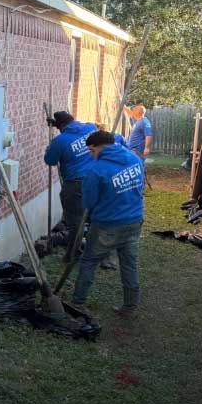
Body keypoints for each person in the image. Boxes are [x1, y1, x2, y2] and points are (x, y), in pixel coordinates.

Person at [72, 130, 145, 317]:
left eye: (91, 150)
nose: (90, 154)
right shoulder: (135, 159)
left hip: (107, 224)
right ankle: (131, 307)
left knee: (89, 261)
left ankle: (78, 304)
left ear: (99, 147)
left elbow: (89, 203)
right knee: (129, 264)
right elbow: (139, 187)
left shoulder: (96, 170)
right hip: (134, 221)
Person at [44, 111, 97, 257]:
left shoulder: (60, 141)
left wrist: (49, 149)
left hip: (75, 185)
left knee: (75, 221)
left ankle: (73, 253)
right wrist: (56, 125)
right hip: (95, 180)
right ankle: (99, 252)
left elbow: (50, 161)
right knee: (95, 217)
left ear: (61, 126)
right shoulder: (90, 128)